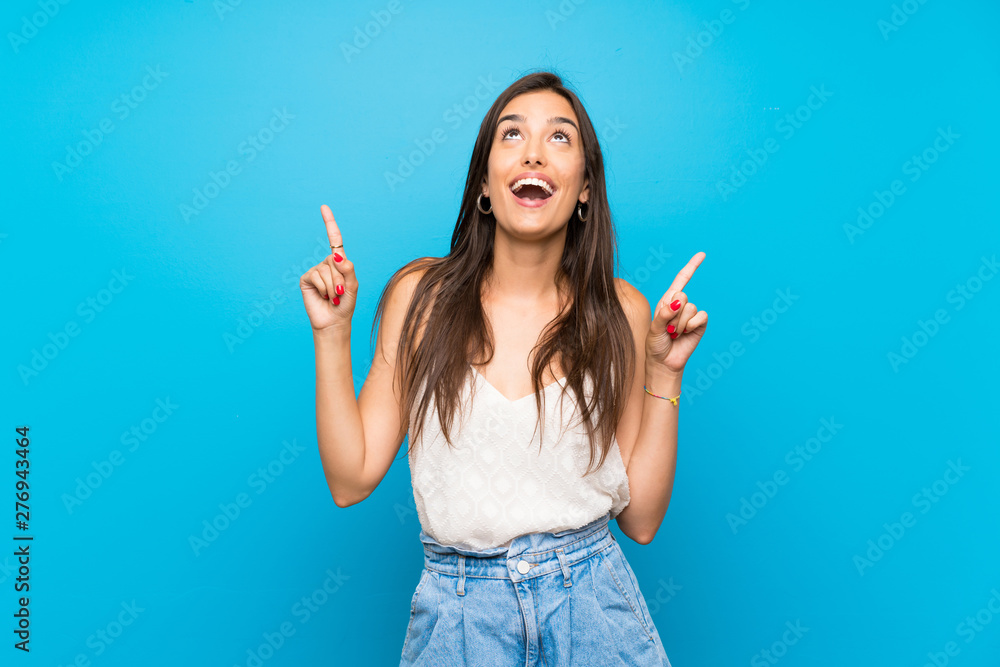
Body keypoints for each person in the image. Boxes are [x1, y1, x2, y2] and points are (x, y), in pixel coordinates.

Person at [299, 71, 707, 666]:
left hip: (594, 607)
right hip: (460, 619)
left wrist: (665, 373)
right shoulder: (421, 299)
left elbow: (640, 520)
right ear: (485, 183)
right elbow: (350, 478)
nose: (534, 151)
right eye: (511, 135)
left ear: (585, 187)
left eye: (559, 138)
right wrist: (332, 333)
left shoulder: (620, 312)